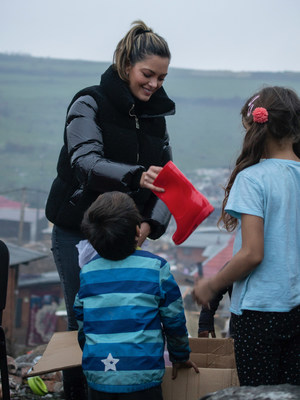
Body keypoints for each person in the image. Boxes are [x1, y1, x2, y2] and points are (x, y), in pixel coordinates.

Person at [45, 20, 175, 399]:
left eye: (162, 78)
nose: (154, 85)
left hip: (127, 233)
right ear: (125, 65)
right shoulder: (88, 102)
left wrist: (151, 223)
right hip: (76, 230)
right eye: (147, 74)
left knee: (127, 316)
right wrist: (135, 177)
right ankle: (79, 394)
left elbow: (168, 180)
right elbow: (85, 161)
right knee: (83, 318)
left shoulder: (156, 116)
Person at [193, 86, 300, 386]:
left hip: (259, 314)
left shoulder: (252, 178)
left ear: (256, 128)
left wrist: (212, 285)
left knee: (258, 394)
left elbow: (252, 253)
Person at [73, 191, 199, 400]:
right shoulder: (156, 268)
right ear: (138, 230)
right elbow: (174, 319)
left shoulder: (88, 272)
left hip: (99, 376)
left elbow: (81, 323)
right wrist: (180, 355)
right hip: (143, 377)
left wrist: (94, 354)